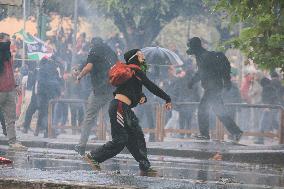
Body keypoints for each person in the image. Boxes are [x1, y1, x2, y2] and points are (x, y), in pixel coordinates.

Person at [83, 49, 172, 174]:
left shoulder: (133, 73)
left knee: (137, 136)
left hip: (125, 108)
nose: (143, 56)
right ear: (135, 57)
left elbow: (136, 91)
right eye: (140, 54)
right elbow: (151, 86)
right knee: (121, 139)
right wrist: (167, 98)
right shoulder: (135, 70)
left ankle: (145, 166)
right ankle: (94, 157)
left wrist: (142, 97)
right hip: (119, 106)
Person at [186, 37, 243, 141]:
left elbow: (201, 73)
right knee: (220, 111)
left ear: (194, 47)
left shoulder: (203, 56)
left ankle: (204, 134)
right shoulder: (203, 55)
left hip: (213, 88)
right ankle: (236, 132)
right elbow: (202, 72)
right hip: (214, 87)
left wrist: (192, 82)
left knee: (202, 109)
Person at [74, 37, 118, 155]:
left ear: (92, 44)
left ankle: (81, 145)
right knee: (108, 118)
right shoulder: (111, 52)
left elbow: (88, 67)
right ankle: (116, 143)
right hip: (112, 88)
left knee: (89, 117)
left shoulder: (94, 50)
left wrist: (79, 76)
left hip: (99, 90)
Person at [0, 33, 27, 150]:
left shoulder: (8, 54)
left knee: (11, 118)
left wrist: (15, 85)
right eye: (7, 40)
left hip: (9, 90)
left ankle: (13, 141)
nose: (9, 43)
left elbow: (10, 71)